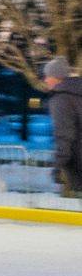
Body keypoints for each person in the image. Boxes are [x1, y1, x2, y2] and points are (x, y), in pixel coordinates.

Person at [43, 56, 81, 198]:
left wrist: (58, 165)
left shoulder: (61, 99)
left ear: (57, 78)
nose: (45, 80)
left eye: (48, 76)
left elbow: (64, 135)